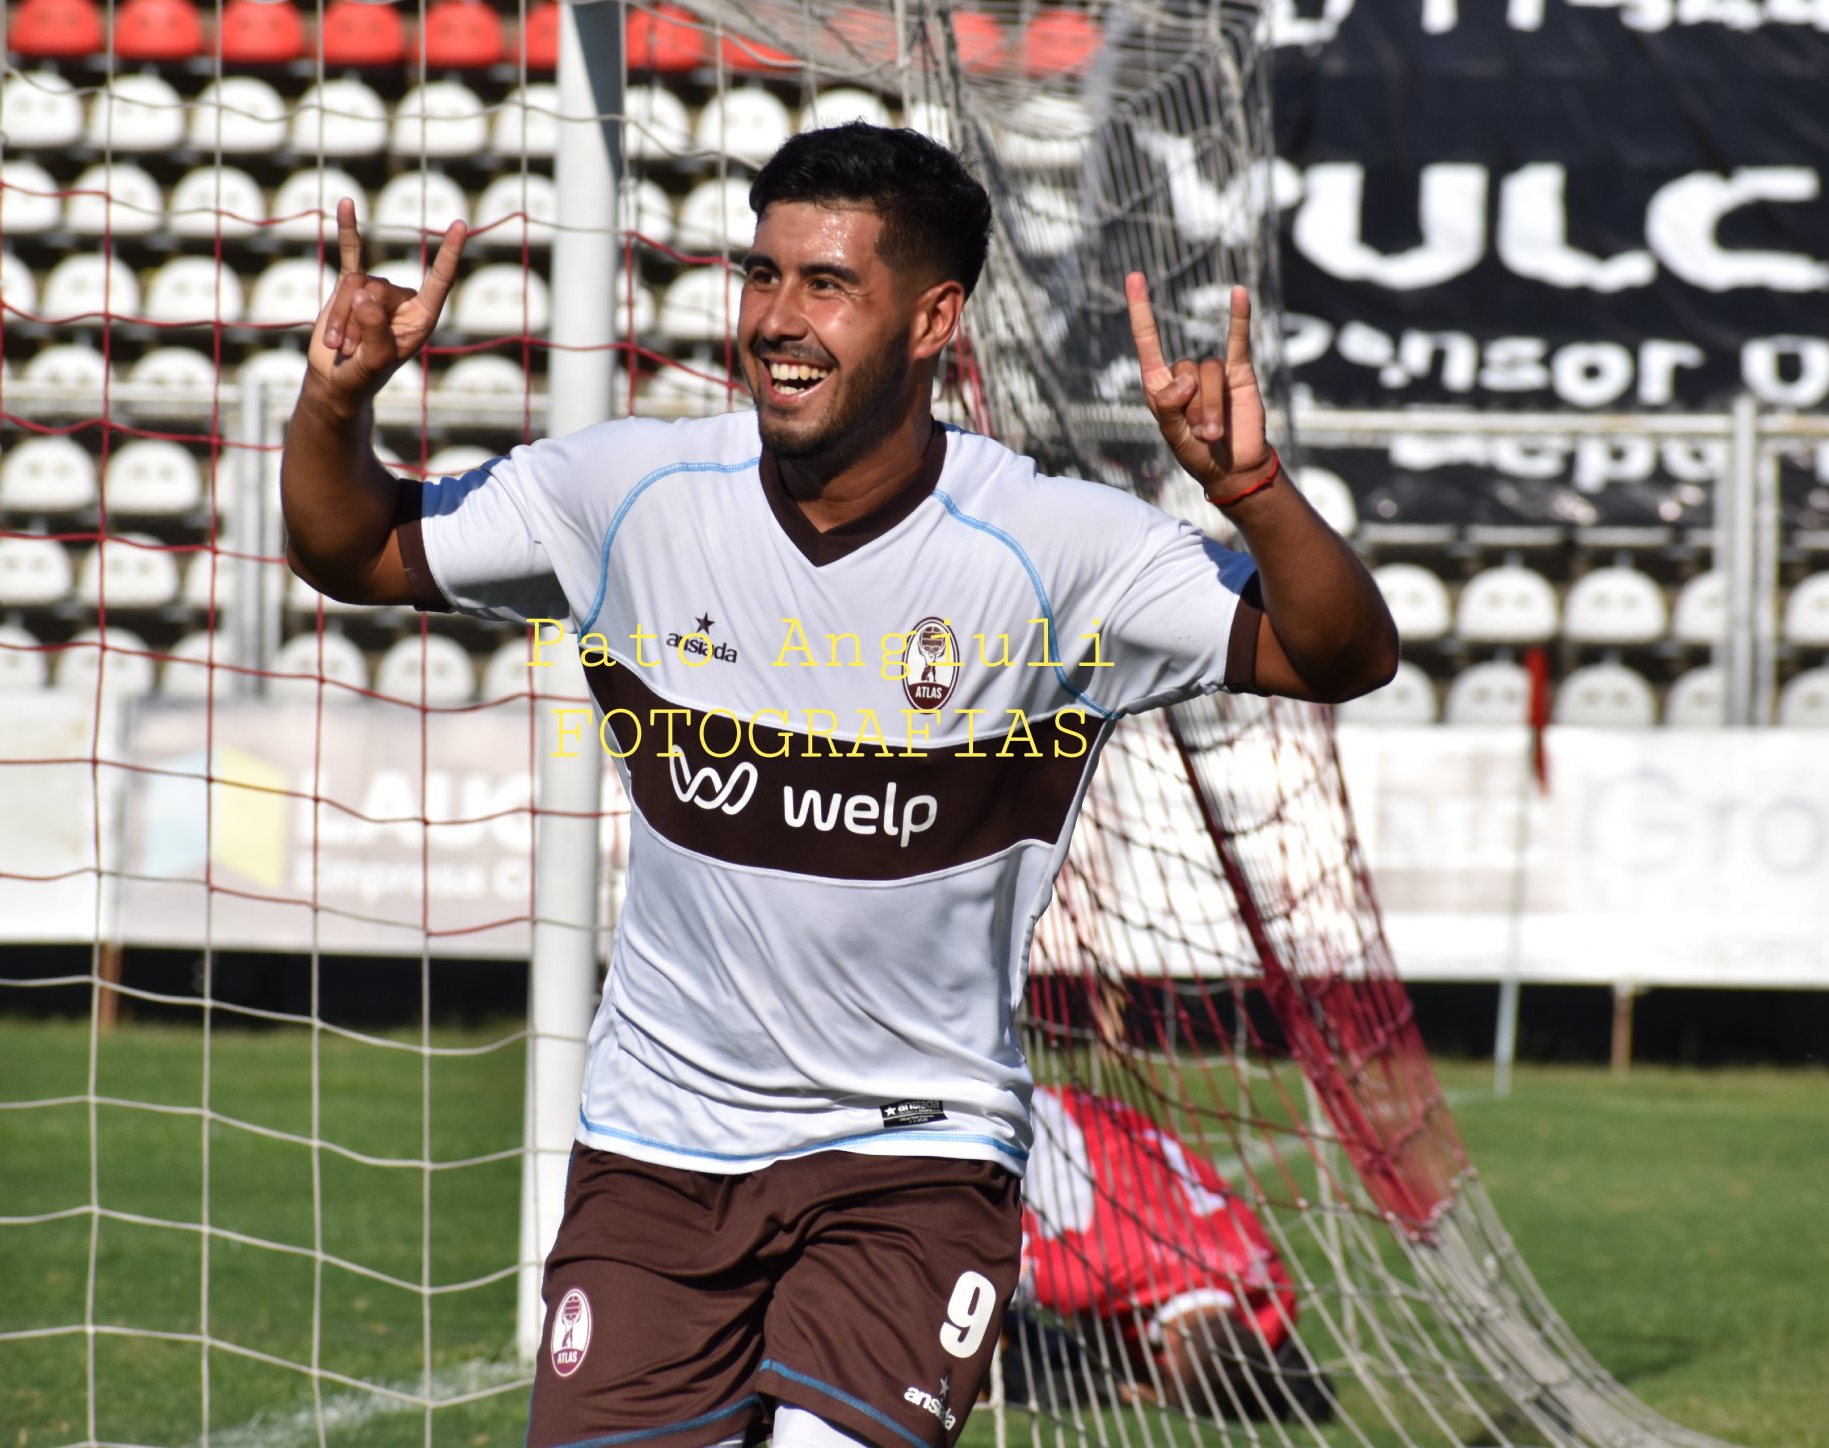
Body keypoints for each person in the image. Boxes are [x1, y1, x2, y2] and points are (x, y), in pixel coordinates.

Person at [282, 122, 1394, 1448]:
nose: (777, 320)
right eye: (762, 276)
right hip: (657, 1150)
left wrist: (1255, 491)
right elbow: (355, 549)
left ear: (933, 319)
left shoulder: (1055, 549)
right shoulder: (625, 492)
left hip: (912, 1158)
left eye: (826, 285)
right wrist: (337, 401)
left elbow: (1338, 655)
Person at [999, 1083, 1332, 1424]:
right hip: (1003, 1115)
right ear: (1165, 1363)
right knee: (1007, 1366)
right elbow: (978, 1277)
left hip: (1098, 1113)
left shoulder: (1263, 1272)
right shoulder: (1079, 1275)